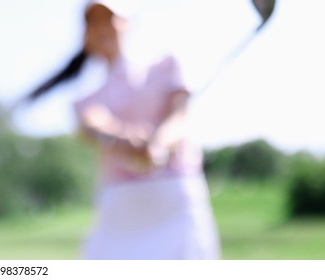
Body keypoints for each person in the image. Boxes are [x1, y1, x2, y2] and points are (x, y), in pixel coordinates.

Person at [28, 0, 220, 259]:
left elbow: (179, 119)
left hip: (175, 199)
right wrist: (123, 141)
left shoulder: (166, 65)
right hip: (121, 208)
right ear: (85, 36)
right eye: (92, 21)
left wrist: (158, 145)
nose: (102, 27)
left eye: (109, 17)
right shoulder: (86, 99)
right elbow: (94, 126)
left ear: (128, 23)